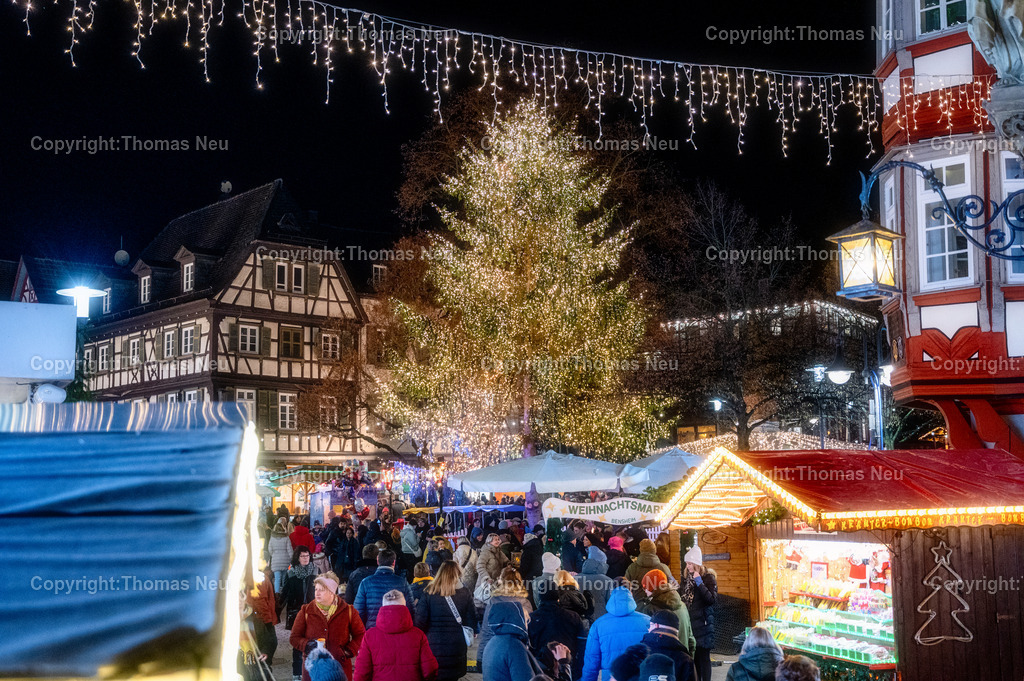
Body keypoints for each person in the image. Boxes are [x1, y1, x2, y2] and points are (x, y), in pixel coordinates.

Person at [290, 571, 365, 681]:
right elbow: (294, 638)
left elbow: (361, 635)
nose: (317, 593)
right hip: (313, 670)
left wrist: (348, 651)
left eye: (322, 590)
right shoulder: (305, 611)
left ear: (331, 592)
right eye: (316, 589)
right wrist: (307, 645)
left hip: (339, 669)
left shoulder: (348, 611)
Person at [352, 589, 438, 681]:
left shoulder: (369, 636)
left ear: (383, 606)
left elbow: (361, 673)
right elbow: (429, 669)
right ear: (404, 606)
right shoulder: (418, 635)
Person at [415, 560, 477, 681]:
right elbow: (471, 619)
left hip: (433, 645)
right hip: (456, 645)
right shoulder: (465, 593)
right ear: (458, 574)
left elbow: (420, 622)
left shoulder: (429, 592)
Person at [581, 587, 650, 681]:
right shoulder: (647, 621)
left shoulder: (598, 624)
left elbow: (592, 659)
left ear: (611, 600)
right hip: (639, 675)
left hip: (611, 676)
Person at [479, 566, 535, 671]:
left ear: (502, 581)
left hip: (495, 651)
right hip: (519, 653)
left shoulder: (494, 601)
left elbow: (486, 630)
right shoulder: (525, 603)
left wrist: (481, 656)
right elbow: (529, 633)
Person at [528, 586, 587, 680]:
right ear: (558, 596)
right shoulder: (573, 616)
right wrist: (577, 669)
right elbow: (582, 645)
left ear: (539, 597)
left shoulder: (532, 618)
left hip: (541, 669)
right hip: (568, 666)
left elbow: (529, 647)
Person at [280, 547, 320, 681]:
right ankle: (297, 673)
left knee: (313, 642)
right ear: (298, 557)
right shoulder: (291, 573)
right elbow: (285, 592)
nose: (305, 558)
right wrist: (277, 610)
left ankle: (311, 672)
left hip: (313, 611)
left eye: (307, 555)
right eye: (303, 556)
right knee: (297, 644)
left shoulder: (315, 570)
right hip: (296, 611)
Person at [637, 570, 696, 656]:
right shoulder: (682, 606)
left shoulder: (651, 609)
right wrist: (688, 660)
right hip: (682, 659)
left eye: (645, 587)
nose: (645, 591)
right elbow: (691, 639)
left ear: (652, 588)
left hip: (662, 662)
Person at [481, 601, 543, 681]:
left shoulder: (493, 642)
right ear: (519, 621)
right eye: (526, 620)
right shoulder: (514, 646)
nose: (527, 625)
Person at [681, 546, 717, 681]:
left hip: (704, 624)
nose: (688, 566)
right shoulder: (686, 579)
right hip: (690, 623)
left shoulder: (708, 578)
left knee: (704, 658)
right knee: (694, 658)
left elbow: (711, 600)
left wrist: (699, 582)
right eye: (687, 563)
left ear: (696, 564)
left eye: (690, 563)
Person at [354, 548, 414, 629]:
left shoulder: (365, 583)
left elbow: (359, 612)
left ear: (378, 561)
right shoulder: (403, 583)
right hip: (397, 630)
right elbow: (411, 610)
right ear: (394, 562)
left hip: (373, 630)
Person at [640, 610, 696, 681]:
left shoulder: (636, 654)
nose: (648, 629)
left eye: (650, 626)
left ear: (656, 626)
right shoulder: (685, 659)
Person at [246, 564, 279, 664]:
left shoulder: (262, 578)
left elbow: (270, 599)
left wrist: (271, 618)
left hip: (263, 618)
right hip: (255, 619)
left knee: (270, 644)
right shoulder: (249, 579)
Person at [576, 546, 616, 620]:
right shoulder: (608, 581)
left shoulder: (575, 579)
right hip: (601, 620)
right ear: (602, 565)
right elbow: (611, 604)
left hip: (580, 619)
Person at [269, 517, 294, 592]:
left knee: (277, 578)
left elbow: (270, 549)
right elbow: (290, 550)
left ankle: (277, 594)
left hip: (276, 561)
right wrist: (292, 559)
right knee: (284, 578)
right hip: (285, 561)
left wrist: (274, 555)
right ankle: (284, 594)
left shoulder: (272, 538)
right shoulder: (286, 538)